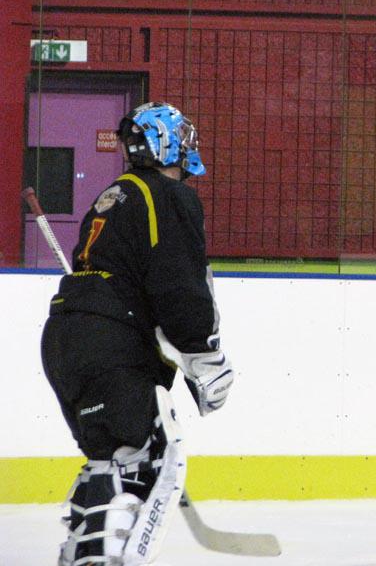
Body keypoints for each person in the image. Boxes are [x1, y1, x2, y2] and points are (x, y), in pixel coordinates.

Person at [41, 101, 234, 565]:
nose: (188, 146)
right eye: (181, 137)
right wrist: (204, 355)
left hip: (65, 339)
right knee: (133, 466)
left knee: (110, 459)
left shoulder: (113, 195)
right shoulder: (168, 196)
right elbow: (179, 283)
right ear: (164, 145)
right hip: (109, 342)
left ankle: (82, 551)